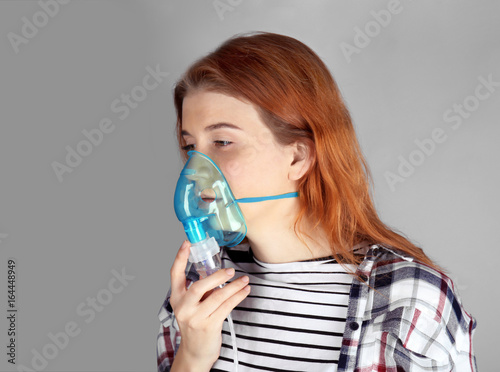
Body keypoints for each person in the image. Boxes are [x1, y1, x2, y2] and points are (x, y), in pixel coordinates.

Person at [157, 32, 477, 372]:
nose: (195, 172)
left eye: (222, 141)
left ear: (298, 157)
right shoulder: (201, 286)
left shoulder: (409, 299)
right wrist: (191, 357)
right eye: (191, 147)